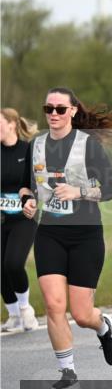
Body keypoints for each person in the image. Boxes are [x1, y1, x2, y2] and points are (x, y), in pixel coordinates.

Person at [29, 88, 112, 389]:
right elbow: (28, 186)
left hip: (85, 235)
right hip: (49, 234)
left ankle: (104, 328)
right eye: (49, 108)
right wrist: (28, 200)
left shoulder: (88, 147)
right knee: (54, 305)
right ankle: (67, 371)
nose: (53, 114)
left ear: (72, 111)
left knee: (81, 314)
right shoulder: (37, 146)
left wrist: (79, 192)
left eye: (60, 109)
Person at [1, 108, 39, 332]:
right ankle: (13, 314)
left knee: (13, 264)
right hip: (1, 219)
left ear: (12, 124)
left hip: (24, 219)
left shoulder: (28, 151)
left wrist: (31, 199)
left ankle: (26, 310)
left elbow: (38, 182)